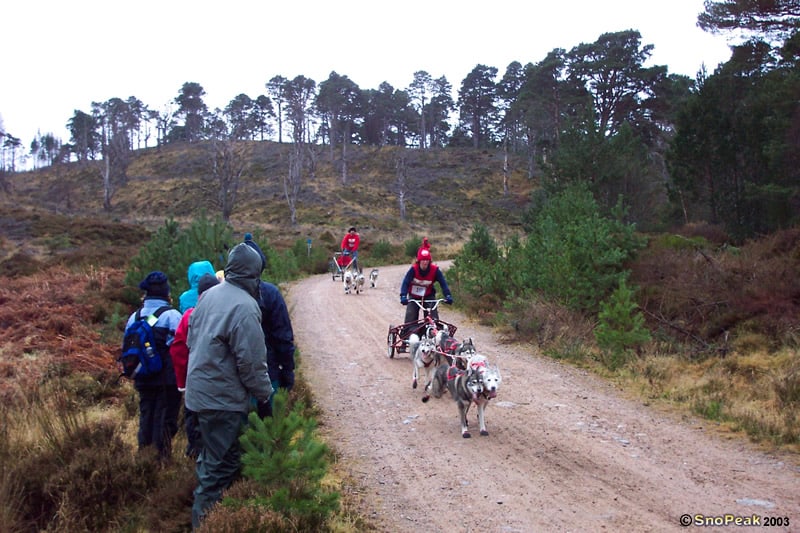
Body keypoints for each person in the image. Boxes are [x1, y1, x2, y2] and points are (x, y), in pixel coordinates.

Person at [185, 243, 273, 529]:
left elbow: (190, 341)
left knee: (210, 461)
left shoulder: (208, 296)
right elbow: (252, 363)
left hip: (197, 396)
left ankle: (213, 518)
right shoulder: (245, 307)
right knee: (220, 469)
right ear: (253, 273)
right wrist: (265, 397)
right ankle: (205, 524)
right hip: (221, 401)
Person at [125, 271, 183, 461]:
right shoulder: (172, 316)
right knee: (164, 420)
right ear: (166, 292)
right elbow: (180, 346)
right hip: (167, 379)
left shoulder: (134, 317)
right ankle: (161, 460)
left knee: (146, 416)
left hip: (142, 376)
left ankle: (143, 457)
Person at [243, 236, 296, 415]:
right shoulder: (270, 293)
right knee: (267, 424)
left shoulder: (219, 295)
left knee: (240, 426)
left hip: (232, 379)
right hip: (267, 373)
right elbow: (283, 336)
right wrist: (287, 369)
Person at [169, 272, 220, 459]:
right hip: (220, 384)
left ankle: (196, 460)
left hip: (195, 382)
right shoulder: (225, 315)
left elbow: (178, 350)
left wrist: (182, 382)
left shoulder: (189, 316)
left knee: (195, 421)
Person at [398, 248, 454, 351]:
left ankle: (435, 341)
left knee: (433, 320)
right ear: (418, 261)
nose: (425, 262)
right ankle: (404, 342)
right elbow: (405, 283)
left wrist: (448, 295)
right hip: (414, 297)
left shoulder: (435, 270)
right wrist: (403, 296)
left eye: (427, 260)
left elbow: (443, 283)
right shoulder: (413, 270)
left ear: (429, 261)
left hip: (429, 296)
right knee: (410, 319)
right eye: (423, 260)